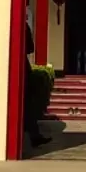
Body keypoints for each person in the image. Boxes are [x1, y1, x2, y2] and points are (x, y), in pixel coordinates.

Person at [24, 20, 50, 149]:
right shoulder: (24, 25)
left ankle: (34, 136)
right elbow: (30, 48)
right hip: (23, 67)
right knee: (28, 105)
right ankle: (34, 136)